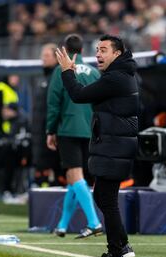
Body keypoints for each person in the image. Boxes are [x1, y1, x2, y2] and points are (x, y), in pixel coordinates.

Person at [55, 34, 138, 257]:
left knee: (107, 199)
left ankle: (115, 256)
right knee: (102, 195)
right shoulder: (118, 75)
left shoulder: (116, 78)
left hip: (115, 146)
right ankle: (122, 246)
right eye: (97, 50)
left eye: (103, 50)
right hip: (113, 145)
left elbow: (79, 95)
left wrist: (66, 71)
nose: (98, 54)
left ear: (117, 54)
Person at [46, 34, 102, 239]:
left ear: (65, 50)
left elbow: (54, 102)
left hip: (69, 127)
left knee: (75, 175)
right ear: (82, 51)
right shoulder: (94, 73)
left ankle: (94, 222)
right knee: (74, 178)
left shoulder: (60, 70)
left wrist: (50, 130)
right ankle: (62, 225)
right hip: (90, 129)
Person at [31, 43, 62, 187]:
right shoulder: (42, 79)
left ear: (56, 58)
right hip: (39, 133)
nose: (43, 58)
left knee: (53, 169)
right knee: (41, 167)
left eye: (47, 55)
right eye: (42, 55)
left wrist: (52, 129)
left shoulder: (58, 77)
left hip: (50, 133)